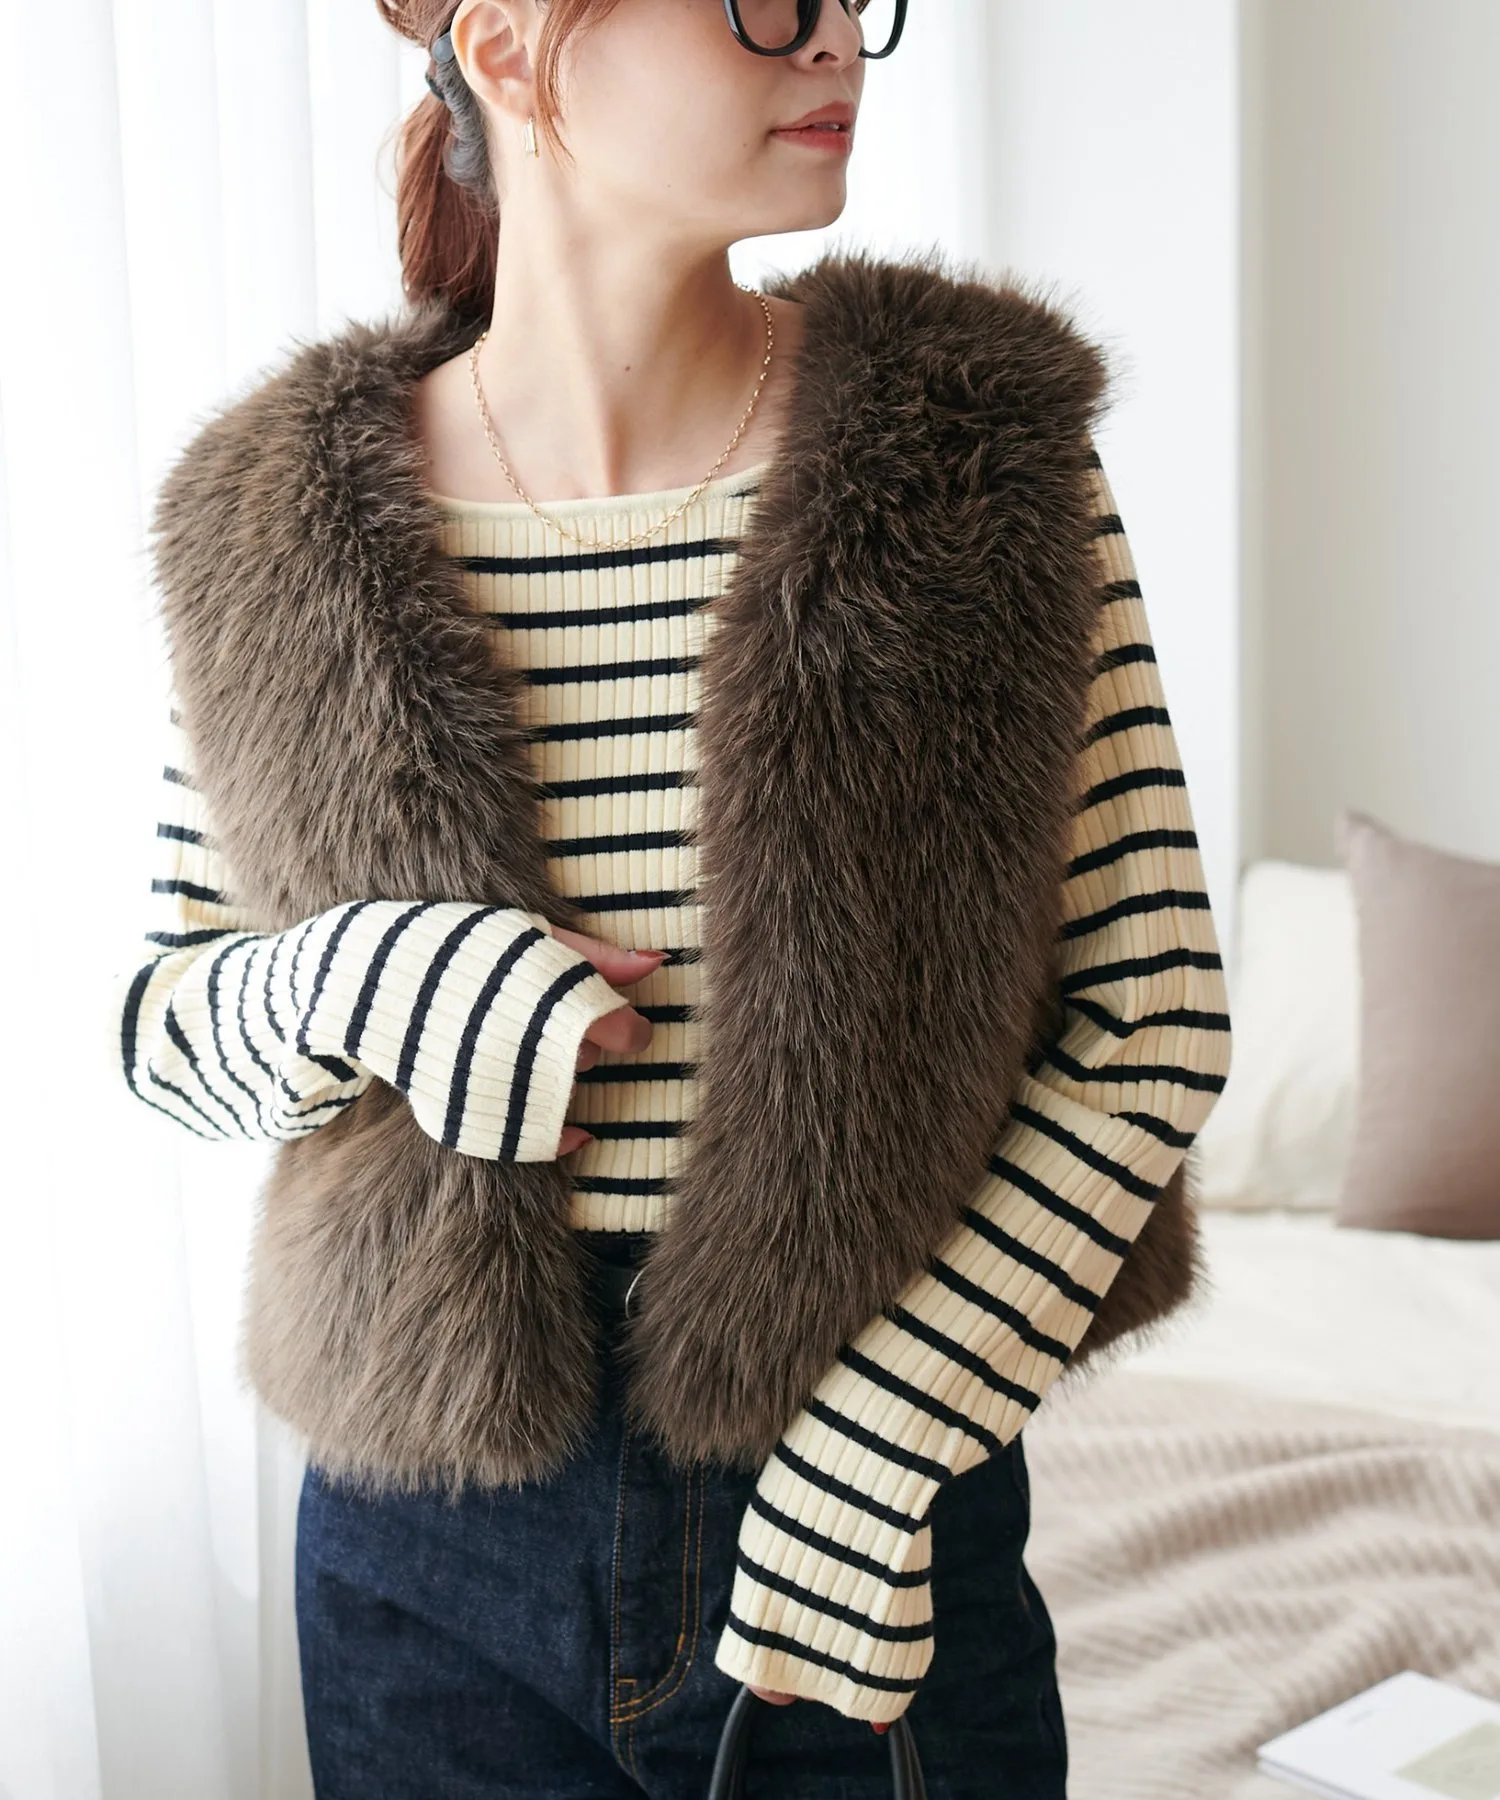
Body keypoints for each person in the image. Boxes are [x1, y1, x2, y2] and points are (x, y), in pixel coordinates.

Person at [110, 0, 1233, 1793]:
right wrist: (370, 976)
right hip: (423, 1538)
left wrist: (885, 1442)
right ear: (507, 43)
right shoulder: (271, 516)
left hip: (862, 1489)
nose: (836, 43)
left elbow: (1152, 1017)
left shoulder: (973, 451)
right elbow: (170, 1023)